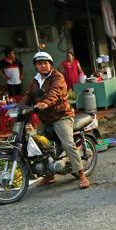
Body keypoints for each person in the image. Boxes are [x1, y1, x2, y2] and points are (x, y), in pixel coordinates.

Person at [21, 51, 90, 189]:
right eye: (40, 64)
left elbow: (55, 92)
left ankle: (82, 175)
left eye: (45, 63)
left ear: (50, 65)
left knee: (68, 144)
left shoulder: (57, 77)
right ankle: (49, 174)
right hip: (46, 118)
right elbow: (28, 96)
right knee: (36, 143)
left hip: (61, 116)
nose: (43, 66)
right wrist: (19, 107)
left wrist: (45, 102)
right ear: (36, 66)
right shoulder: (35, 81)